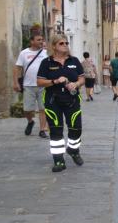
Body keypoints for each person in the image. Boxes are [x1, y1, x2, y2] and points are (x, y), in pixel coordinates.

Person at [35, 34, 85, 172]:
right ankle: (58, 161)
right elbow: (39, 82)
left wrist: (76, 84)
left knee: (76, 128)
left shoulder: (74, 61)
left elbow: (82, 78)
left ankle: (73, 150)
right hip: (53, 101)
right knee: (56, 130)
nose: (65, 45)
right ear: (54, 46)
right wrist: (55, 81)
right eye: (61, 43)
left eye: (66, 43)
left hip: (72, 100)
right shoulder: (47, 62)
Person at [13, 31, 48, 138]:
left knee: (43, 109)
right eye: (38, 40)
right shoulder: (24, 53)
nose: (41, 42)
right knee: (27, 110)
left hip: (43, 85)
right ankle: (30, 121)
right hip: (28, 85)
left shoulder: (45, 53)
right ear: (31, 41)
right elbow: (18, 68)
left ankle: (42, 130)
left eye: (42, 40)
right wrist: (15, 83)